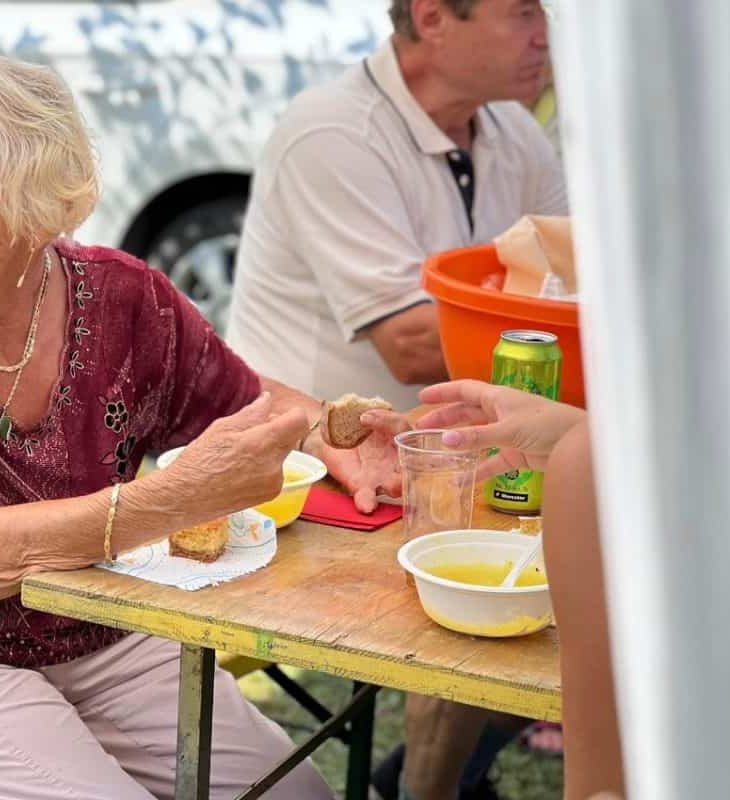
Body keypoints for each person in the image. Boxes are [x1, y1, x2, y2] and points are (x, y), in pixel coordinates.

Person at [0, 50, 407, 800]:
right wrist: (176, 500)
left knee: (296, 794)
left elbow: (240, 400)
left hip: (84, 621)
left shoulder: (121, 299)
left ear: (39, 210)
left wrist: (326, 430)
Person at [226, 0, 565, 796]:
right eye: (522, 11)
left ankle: (421, 780)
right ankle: (424, 788)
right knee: (498, 587)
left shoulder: (515, 131)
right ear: (433, 17)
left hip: (446, 451)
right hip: (306, 471)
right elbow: (409, 345)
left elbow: (570, 286)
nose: (546, 34)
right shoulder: (332, 131)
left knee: (597, 576)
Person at [392, 379, 625, 798]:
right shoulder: (588, 457)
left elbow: (599, 791)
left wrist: (583, 447)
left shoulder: (584, 464)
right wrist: (580, 434)